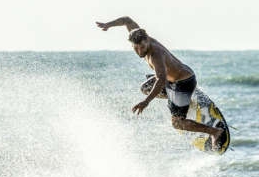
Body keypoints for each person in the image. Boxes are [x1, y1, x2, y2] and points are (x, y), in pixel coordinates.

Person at [96, 16, 226, 149]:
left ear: (147, 40)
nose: (140, 51)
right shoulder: (139, 35)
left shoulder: (155, 55)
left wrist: (146, 102)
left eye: (142, 47)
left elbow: (161, 80)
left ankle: (215, 132)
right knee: (146, 88)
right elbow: (127, 20)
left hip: (182, 83)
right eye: (136, 48)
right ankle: (184, 100)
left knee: (177, 123)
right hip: (174, 78)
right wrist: (108, 25)